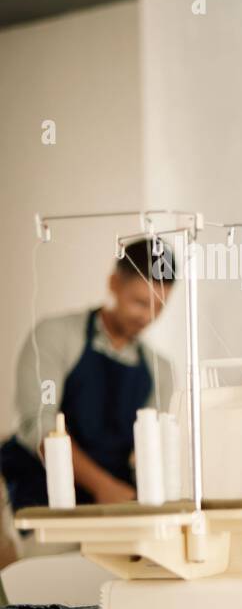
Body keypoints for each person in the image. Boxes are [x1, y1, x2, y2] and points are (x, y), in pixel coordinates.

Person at [1, 237, 176, 555]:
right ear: (113, 284)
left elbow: (151, 449)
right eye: (139, 301)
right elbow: (38, 423)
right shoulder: (53, 336)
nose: (147, 316)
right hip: (41, 492)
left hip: (115, 497)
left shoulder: (160, 370)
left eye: (159, 307)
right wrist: (102, 487)